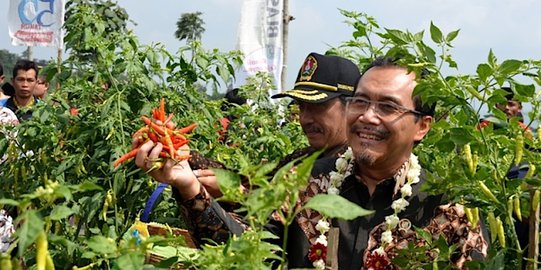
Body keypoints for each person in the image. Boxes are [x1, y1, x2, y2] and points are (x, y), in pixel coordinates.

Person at [134, 57, 489, 269]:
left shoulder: (449, 210)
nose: (368, 117)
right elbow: (250, 255)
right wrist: (188, 186)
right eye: (360, 102)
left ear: (422, 126)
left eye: (388, 107)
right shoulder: (305, 184)